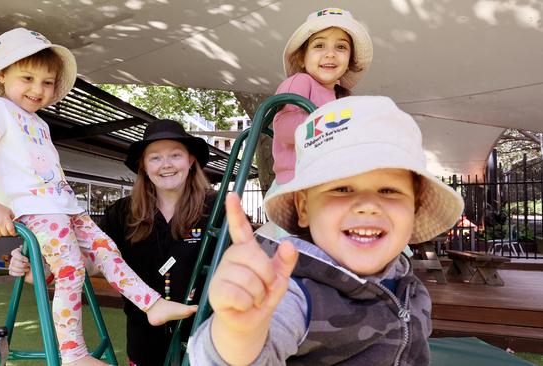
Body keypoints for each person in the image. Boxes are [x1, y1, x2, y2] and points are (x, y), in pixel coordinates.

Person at [0, 28, 195, 366]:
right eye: (27, 77)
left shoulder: (39, 123)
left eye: (47, 82)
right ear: (2, 75)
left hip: (63, 207)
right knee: (70, 270)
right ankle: (73, 353)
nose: (38, 89)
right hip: (35, 209)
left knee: (107, 250)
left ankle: (152, 304)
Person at [189, 96, 464, 365]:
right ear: (305, 208)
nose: (368, 205)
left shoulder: (406, 282)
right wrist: (240, 333)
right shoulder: (295, 292)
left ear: (414, 207)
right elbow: (251, 350)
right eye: (341, 188)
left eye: (389, 190)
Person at [10, 119, 216, 366]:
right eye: (155, 158)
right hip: (144, 337)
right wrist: (38, 267)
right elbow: (90, 263)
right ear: (143, 166)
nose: (166, 165)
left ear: (191, 160)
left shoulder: (219, 210)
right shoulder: (122, 212)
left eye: (175, 155)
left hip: (207, 333)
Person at [272, 7, 373, 184]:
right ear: (302, 58)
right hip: (296, 180)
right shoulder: (301, 82)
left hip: (328, 179)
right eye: (319, 45)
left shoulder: (342, 97)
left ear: (350, 61)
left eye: (341, 47)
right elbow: (283, 128)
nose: (330, 54)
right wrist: (329, 124)